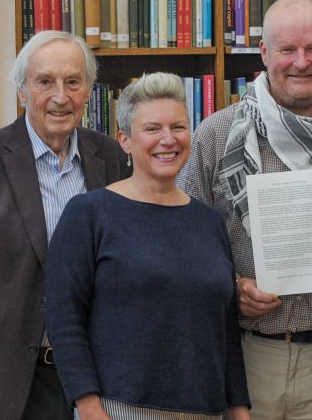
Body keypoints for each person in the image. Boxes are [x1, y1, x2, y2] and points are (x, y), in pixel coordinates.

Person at [177, 0, 312, 419]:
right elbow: (185, 242)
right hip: (245, 358)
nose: (301, 62)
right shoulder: (218, 134)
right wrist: (233, 285)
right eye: (287, 50)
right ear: (264, 53)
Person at [0, 30, 129, 420]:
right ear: (22, 92)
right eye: (45, 82)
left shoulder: (108, 157)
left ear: (88, 90)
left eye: (73, 82)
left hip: (92, 379)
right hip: (2, 380)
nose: (60, 96)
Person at [46, 72, 250, 420]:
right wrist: (89, 406)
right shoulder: (89, 214)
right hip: (120, 409)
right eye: (152, 129)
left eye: (178, 127)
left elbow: (225, 330)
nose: (167, 140)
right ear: (125, 140)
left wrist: (239, 408)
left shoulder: (210, 222)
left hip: (207, 411)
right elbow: (65, 320)